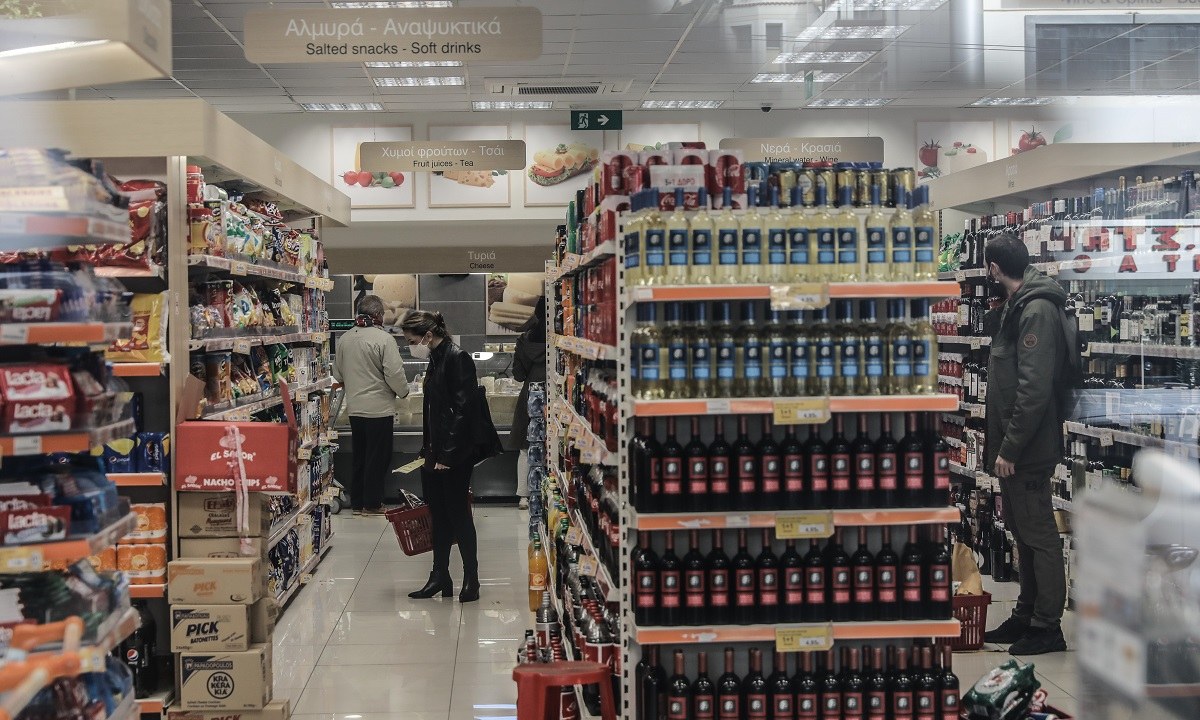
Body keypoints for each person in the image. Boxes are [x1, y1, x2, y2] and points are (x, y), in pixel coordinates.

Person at [981, 234, 1070, 655]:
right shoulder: (1020, 304)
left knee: (1039, 534)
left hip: (1027, 449)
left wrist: (1011, 447)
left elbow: (1033, 390)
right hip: (1015, 446)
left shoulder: (1035, 310)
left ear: (994, 269)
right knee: (1022, 531)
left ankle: (1047, 626)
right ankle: (1026, 615)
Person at [401, 310, 481, 603]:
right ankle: (439, 575)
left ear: (428, 336)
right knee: (438, 515)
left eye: (413, 341)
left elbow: (463, 410)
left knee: (459, 515)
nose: (412, 346)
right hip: (435, 451)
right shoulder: (435, 359)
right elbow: (434, 410)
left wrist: (447, 454)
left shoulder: (458, 358)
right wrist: (428, 449)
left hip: (455, 454)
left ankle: (472, 578)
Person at [332, 295, 409, 516]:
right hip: (379, 409)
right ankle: (373, 504)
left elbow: (338, 373)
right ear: (377, 315)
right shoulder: (384, 339)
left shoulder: (345, 339)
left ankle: (358, 503)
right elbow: (394, 373)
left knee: (360, 457)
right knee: (377, 458)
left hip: (355, 409)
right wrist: (403, 392)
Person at [510, 297, 547, 510]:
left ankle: (523, 496)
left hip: (531, 393)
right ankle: (548, 491)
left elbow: (518, 374)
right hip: (554, 392)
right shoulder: (559, 337)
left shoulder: (525, 339)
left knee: (526, 447)